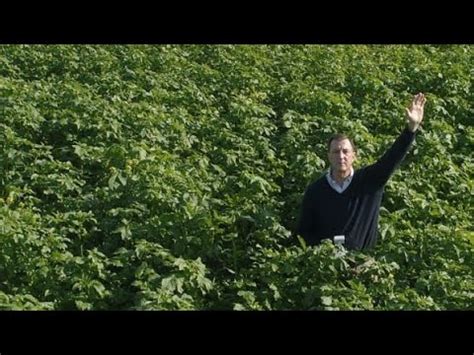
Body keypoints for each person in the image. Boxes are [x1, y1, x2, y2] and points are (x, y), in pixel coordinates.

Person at [297, 93, 427, 250]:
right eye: (336, 152)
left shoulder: (370, 181)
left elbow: (392, 158)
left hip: (363, 267)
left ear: (354, 156)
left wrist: (411, 129)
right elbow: (304, 234)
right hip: (326, 268)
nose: (341, 156)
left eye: (345, 151)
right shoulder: (315, 191)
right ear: (328, 156)